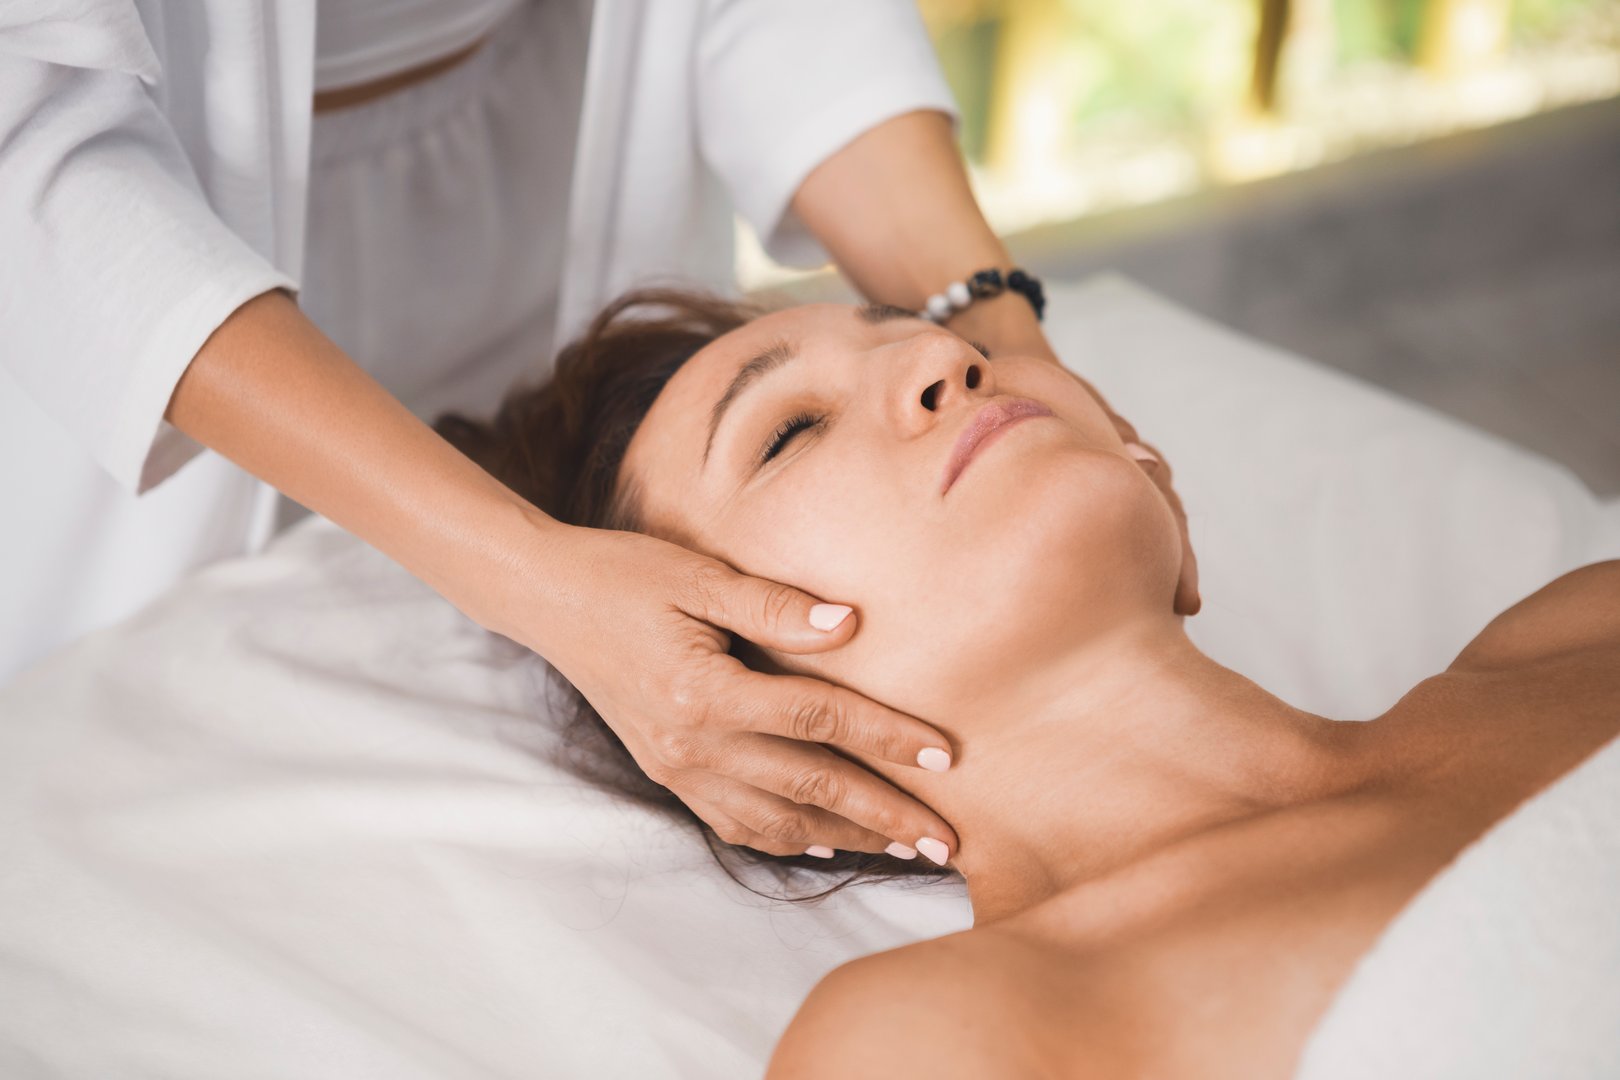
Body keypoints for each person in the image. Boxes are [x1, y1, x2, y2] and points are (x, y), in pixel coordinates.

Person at [0, 1, 1197, 861]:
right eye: (787, 435)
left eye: (900, 327)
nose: (948, 360)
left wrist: (1000, 325)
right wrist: (522, 573)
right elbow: (27, 133)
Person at [433, 286, 1620, 1075]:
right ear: (718, 685)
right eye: (789, 430)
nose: (943, 356)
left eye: (941, 336)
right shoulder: (937, 1042)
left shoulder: (1575, 632)